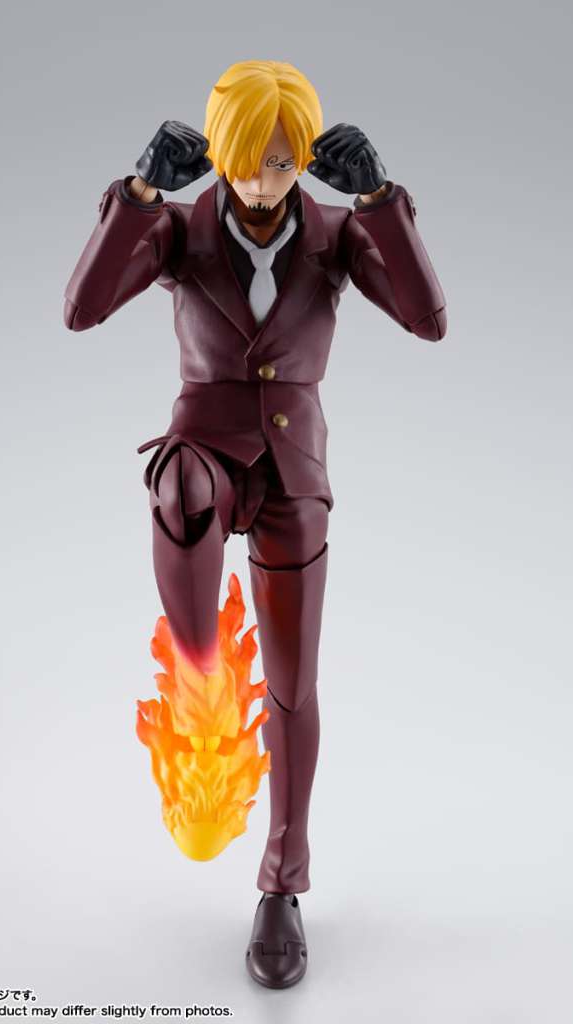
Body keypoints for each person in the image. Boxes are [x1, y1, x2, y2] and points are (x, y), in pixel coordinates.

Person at [64, 59, 446, 989]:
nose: (263, 182)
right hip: (206, 447)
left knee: (292, 688)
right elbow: (81, 310)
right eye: (245, 160)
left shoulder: (338, 238)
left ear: (305, 159)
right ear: (220, 153)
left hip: (295, 472)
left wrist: (383, 201)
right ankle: (200, 672)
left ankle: (281, 883)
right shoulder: (178, 232)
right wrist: (139, 193)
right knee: (179, 488)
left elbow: (428, 320)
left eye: (282, 162)